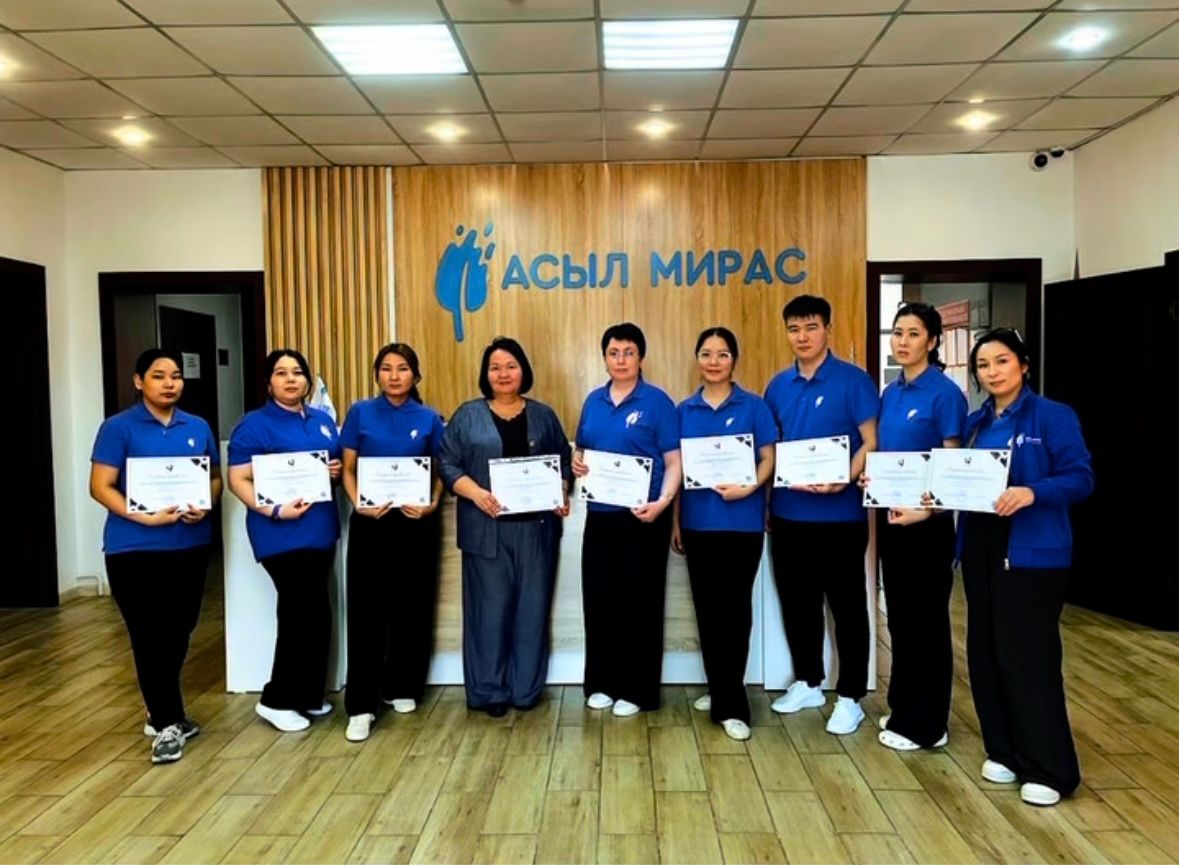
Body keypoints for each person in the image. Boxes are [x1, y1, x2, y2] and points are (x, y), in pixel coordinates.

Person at [958, 327, 1093, 807]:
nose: (992, 372)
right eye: (983, 365)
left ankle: (1049, 768)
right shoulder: (975, 423)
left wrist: (1033, 492)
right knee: (986, 650)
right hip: (981, 545)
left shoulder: (1053, 416)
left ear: (1024, 365)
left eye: (1001, 362)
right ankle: (1005, 751)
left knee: (1029, 656)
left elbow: (1081, 477)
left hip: (1033, 550)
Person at [89, 348, 221, 764]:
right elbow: (100, 486)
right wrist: (142, 515)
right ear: (139, 381)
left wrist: (206, 503)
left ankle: (161, 708)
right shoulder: (118, 428)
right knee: (149, 635)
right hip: (134, 549)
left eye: (176, 376)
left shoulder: (196, 426)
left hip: (189, 544)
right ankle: (166, 723)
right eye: (159, 376)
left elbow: (214, 478)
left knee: (180, 630)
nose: (169, 383)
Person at [764, 294, 878, 735]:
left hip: (841, 517)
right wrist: (769, 504)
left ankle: (850, 697)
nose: (802, 336)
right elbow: (771, 450)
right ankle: (809, 682)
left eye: (811, 327)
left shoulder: (854, 381)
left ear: (827, 329)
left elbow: (872, 441)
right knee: (798, 604)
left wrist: (844, 477)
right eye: (794, 329)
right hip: (789, 515)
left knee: (847, 608)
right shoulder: (778, 386)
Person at [439, 337, 572, 716]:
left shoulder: (544, 415)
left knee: (532, 612)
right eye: (495, 367)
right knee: (489, 613)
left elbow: (563, 461)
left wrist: (562, 489)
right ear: (486, 374)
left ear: (523, 371)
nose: (503, 373)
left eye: (511, 366)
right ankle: (489, 692)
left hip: (537, 532)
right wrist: (476, 493)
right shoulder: (467, 415)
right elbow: (447, 463)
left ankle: (526, 690)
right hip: (486, 530)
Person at [866, 303, 967, 751]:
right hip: (893, 520)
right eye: (897, 332)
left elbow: (953, 466)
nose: (902, 341)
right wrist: (873, 478)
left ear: (932, 340)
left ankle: (928, 726)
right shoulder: (890, 393)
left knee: (927, 623)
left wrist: (927, 511)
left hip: (928, 525)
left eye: (913, 333)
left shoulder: (944, 393)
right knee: (902, 620)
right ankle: (905, 706)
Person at [227, 349, 342, 733]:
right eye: (281, 373)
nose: (290, 379)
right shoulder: (254, 425)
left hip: (320, 530)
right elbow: (238, 479)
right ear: (268, 382)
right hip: (280, 533)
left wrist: (334, 470)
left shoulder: (322, 421)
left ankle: (308, 694)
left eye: (297, 372)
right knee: (298, 613)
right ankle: (276, 699)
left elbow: (332, 466)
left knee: (317, 613)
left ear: (307, 381)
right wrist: (275, 510)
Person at [672, 327, 776, 741]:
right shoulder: (683, 410)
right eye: (706, 354)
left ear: (734, 359)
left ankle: (733, 706)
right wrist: (677, 522)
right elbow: (678, 471)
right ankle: (720, 687)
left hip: (742, 524)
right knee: (708, 612)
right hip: (698, 525)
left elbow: (769, 458)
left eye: (722, 354)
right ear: (697, 359)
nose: (714, 362)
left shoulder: (754, 406)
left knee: (734, 613)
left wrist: (749, 486)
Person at [573, 322, 681, 717]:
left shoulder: (657, 402)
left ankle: (638, 690)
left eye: (629, 352)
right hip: (600, 517)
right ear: (604, 358)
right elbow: (582, 450)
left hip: (643, 518)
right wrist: (577, 462)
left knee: (641, 604)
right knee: (600, 601)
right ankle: (602, 682)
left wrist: (662, 502)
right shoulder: (593, 401)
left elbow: (674, 461)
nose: (621, 360)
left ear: (641, 357)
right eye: (614, 353)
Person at [339, 343, 444, 742]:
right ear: (377, 374)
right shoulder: (360, 413)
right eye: (386, 368)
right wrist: (359, 503)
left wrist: (432, 503)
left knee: (412, 606)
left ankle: (402, 685)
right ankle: (361, 706)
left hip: (415, 524)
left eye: (402, 368)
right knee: (366, 611)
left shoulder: (430, 418)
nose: (394, 376)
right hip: (372, 523)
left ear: (415, 375)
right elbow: (348, 469)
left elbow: (439, 471)